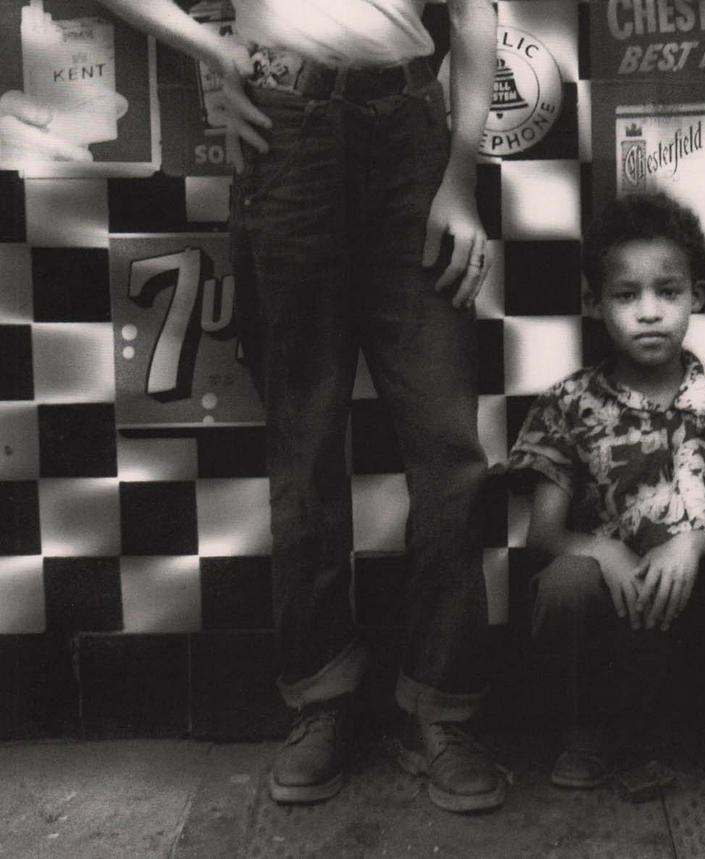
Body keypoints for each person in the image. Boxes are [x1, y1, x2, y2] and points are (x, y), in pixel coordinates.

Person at [98, 0, 503, 812]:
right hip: (288, 133)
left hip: (412, 136)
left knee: (450, 450)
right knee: (305, 440)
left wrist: (460, 175)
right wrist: (209, 47)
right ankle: (322, 698)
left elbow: (474, 14)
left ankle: (440, 706)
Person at [508, 192, 705, 790]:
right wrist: (603, 551)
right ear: (594, 303)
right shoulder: (568, 403)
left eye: (667, 292)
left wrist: (693, 544)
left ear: (696, 296)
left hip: (703, 616)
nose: (649, 312)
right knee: (564, 581)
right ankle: (588, 733)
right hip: (615, 618)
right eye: (626, 295)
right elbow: (544, 535)